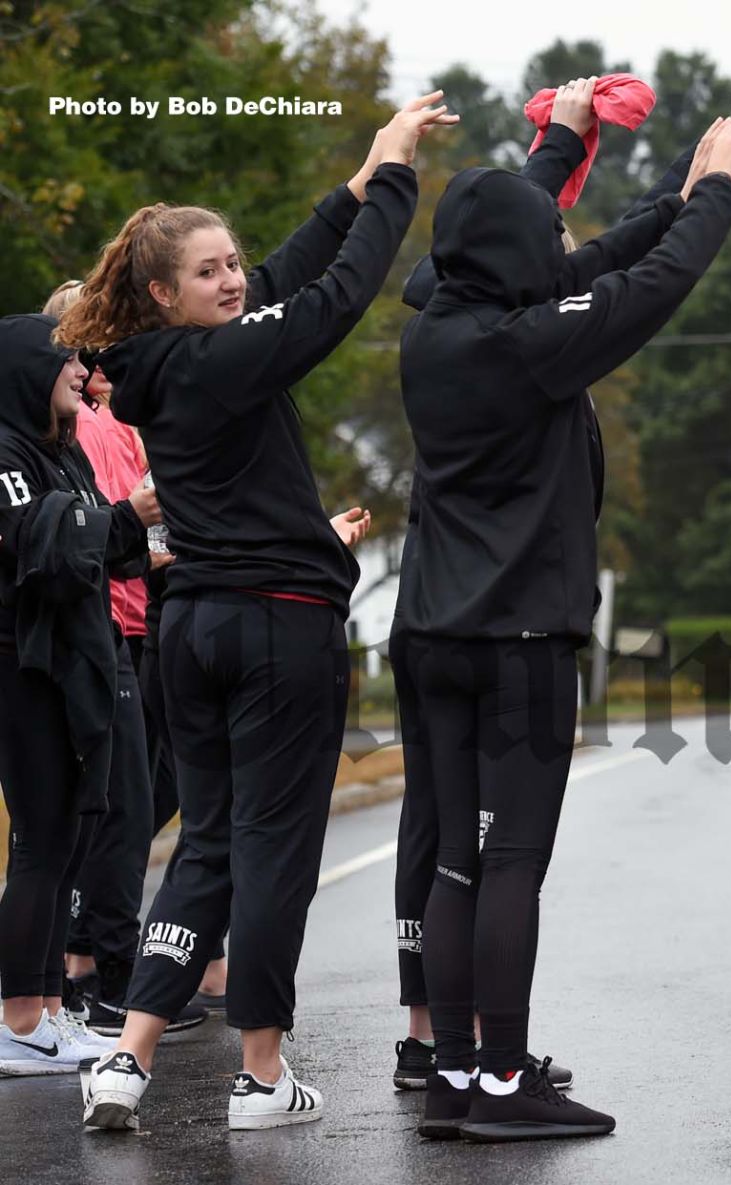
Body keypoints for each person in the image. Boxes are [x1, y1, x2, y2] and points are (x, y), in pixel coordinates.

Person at [58, 91, 453, 1133]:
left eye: (231, 263)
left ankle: (126, 1058)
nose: (232, 279)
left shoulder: (171, 358)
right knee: (274, 849)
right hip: (274, 628)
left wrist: (359, 178)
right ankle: (263, 1076)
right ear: (158, 291)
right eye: (208, 271)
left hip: (194, 625)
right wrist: (401, 184)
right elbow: (335, 297)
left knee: (210, 845)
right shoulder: (225, 358)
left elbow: (283, 279)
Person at [398, 87, 731, 1141]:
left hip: (434, 632)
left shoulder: (440, 321)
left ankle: (454, 1075)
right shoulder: (527, 346)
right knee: (510, 859)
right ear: (520, 252)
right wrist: (716, 188)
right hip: (516, 637)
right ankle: (507, 1081)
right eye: (548, 231)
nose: (561, 241)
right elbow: (653, 283)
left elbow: (582, 253)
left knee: (452, 861)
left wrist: (598, 155)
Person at [39, 283, 212, 1042]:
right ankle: (95, 968)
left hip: (153, 616)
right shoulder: (82, 426)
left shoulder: (130, 419)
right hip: (108, 622)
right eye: (85, 339)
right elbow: (112, 528)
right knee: (115, 804)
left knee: (155, 793)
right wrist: (156, 545)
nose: (98, 353)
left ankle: (90, 954)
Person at [0, 315, 156, 1076]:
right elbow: (42, 545)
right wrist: (129, 515)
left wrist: (148, 525)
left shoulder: (59, 453)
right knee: (40, 842)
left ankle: (53, 1012)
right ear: (27, 369)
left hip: (76, 666)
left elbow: (111, 543)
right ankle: (18, 1018)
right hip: (24, 670)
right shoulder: (5, 453)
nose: (81, 370)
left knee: (69, 837)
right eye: (65, 358)